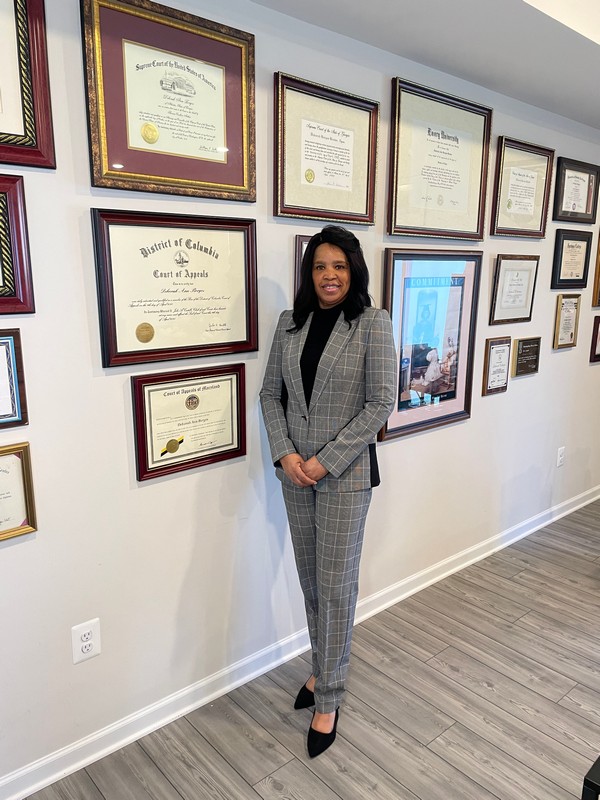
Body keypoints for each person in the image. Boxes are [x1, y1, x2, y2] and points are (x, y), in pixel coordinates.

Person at [260, 225, 397, 758]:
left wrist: (325, 460)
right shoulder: (289, 324)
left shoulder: (372, 324)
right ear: (309, 272)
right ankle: (322, 669)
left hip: (343, 478)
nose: (329, 275)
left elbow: (381, 402)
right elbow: (271, 395)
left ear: (353, 270)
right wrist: (287, 454)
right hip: (295, 475)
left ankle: (329, 695)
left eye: (339, 266)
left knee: (337, 587)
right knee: (312, 581)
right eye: (320, 266)